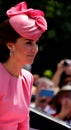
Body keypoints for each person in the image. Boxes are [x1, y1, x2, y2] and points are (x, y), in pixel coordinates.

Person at [0, 1, 47, 130]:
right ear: (10, 45)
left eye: (36, 43)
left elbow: (24, 122)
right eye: (28, 43)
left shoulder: (27, 78)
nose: (35, 49)